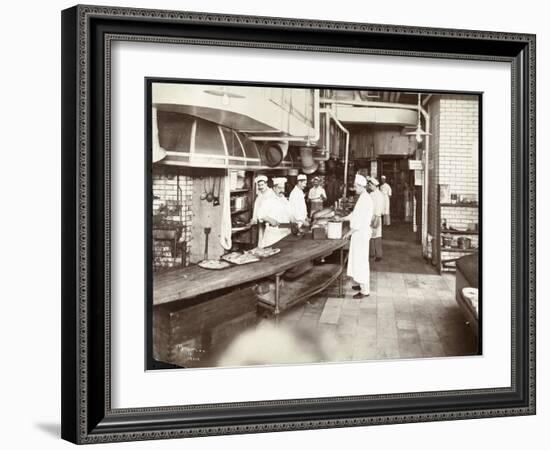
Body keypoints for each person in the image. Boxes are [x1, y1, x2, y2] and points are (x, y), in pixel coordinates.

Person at [342, 174, 373, 299]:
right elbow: (355, 214)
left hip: (360, 233)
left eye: (355, 186)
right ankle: (361, 284)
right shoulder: (362, 197)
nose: (354, 188)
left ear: (361, 186)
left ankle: (365, 290)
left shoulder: (366, 199)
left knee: (361, 262)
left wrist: (349, 233)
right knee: (357, 259)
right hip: (358, 234)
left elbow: (360, 221)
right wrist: (342, 218)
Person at [256, 177, 293, 247]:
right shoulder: (269, 200)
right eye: (279, 188)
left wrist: (294, 221)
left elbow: (290, 213)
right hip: (273, 234)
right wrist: (270, 220)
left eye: (283, 188)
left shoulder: (284, 200)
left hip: (286, 232)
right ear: (274, 188)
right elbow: (260, 214)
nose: (282, 190)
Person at [250, 175, 276, 246]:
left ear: (266, 184)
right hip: (262, 221)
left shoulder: (271, 194)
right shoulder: (259, 195)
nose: (260, 187)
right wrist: (254, 218)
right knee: (262, 239)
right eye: (259, 185)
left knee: (270, 239)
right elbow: (256, 207)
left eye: (262, 185)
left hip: (271, 220)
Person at [367, 177, 384, 261]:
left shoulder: (379, 195)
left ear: (375, 185)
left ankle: (379, 255)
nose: (369, 187)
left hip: (376, 216)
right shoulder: (371, 194)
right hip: (370, 216)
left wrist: (376, 218)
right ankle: (372, 253)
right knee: (370, 235)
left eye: (371, 185)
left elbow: (379, 208)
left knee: (377, 235)